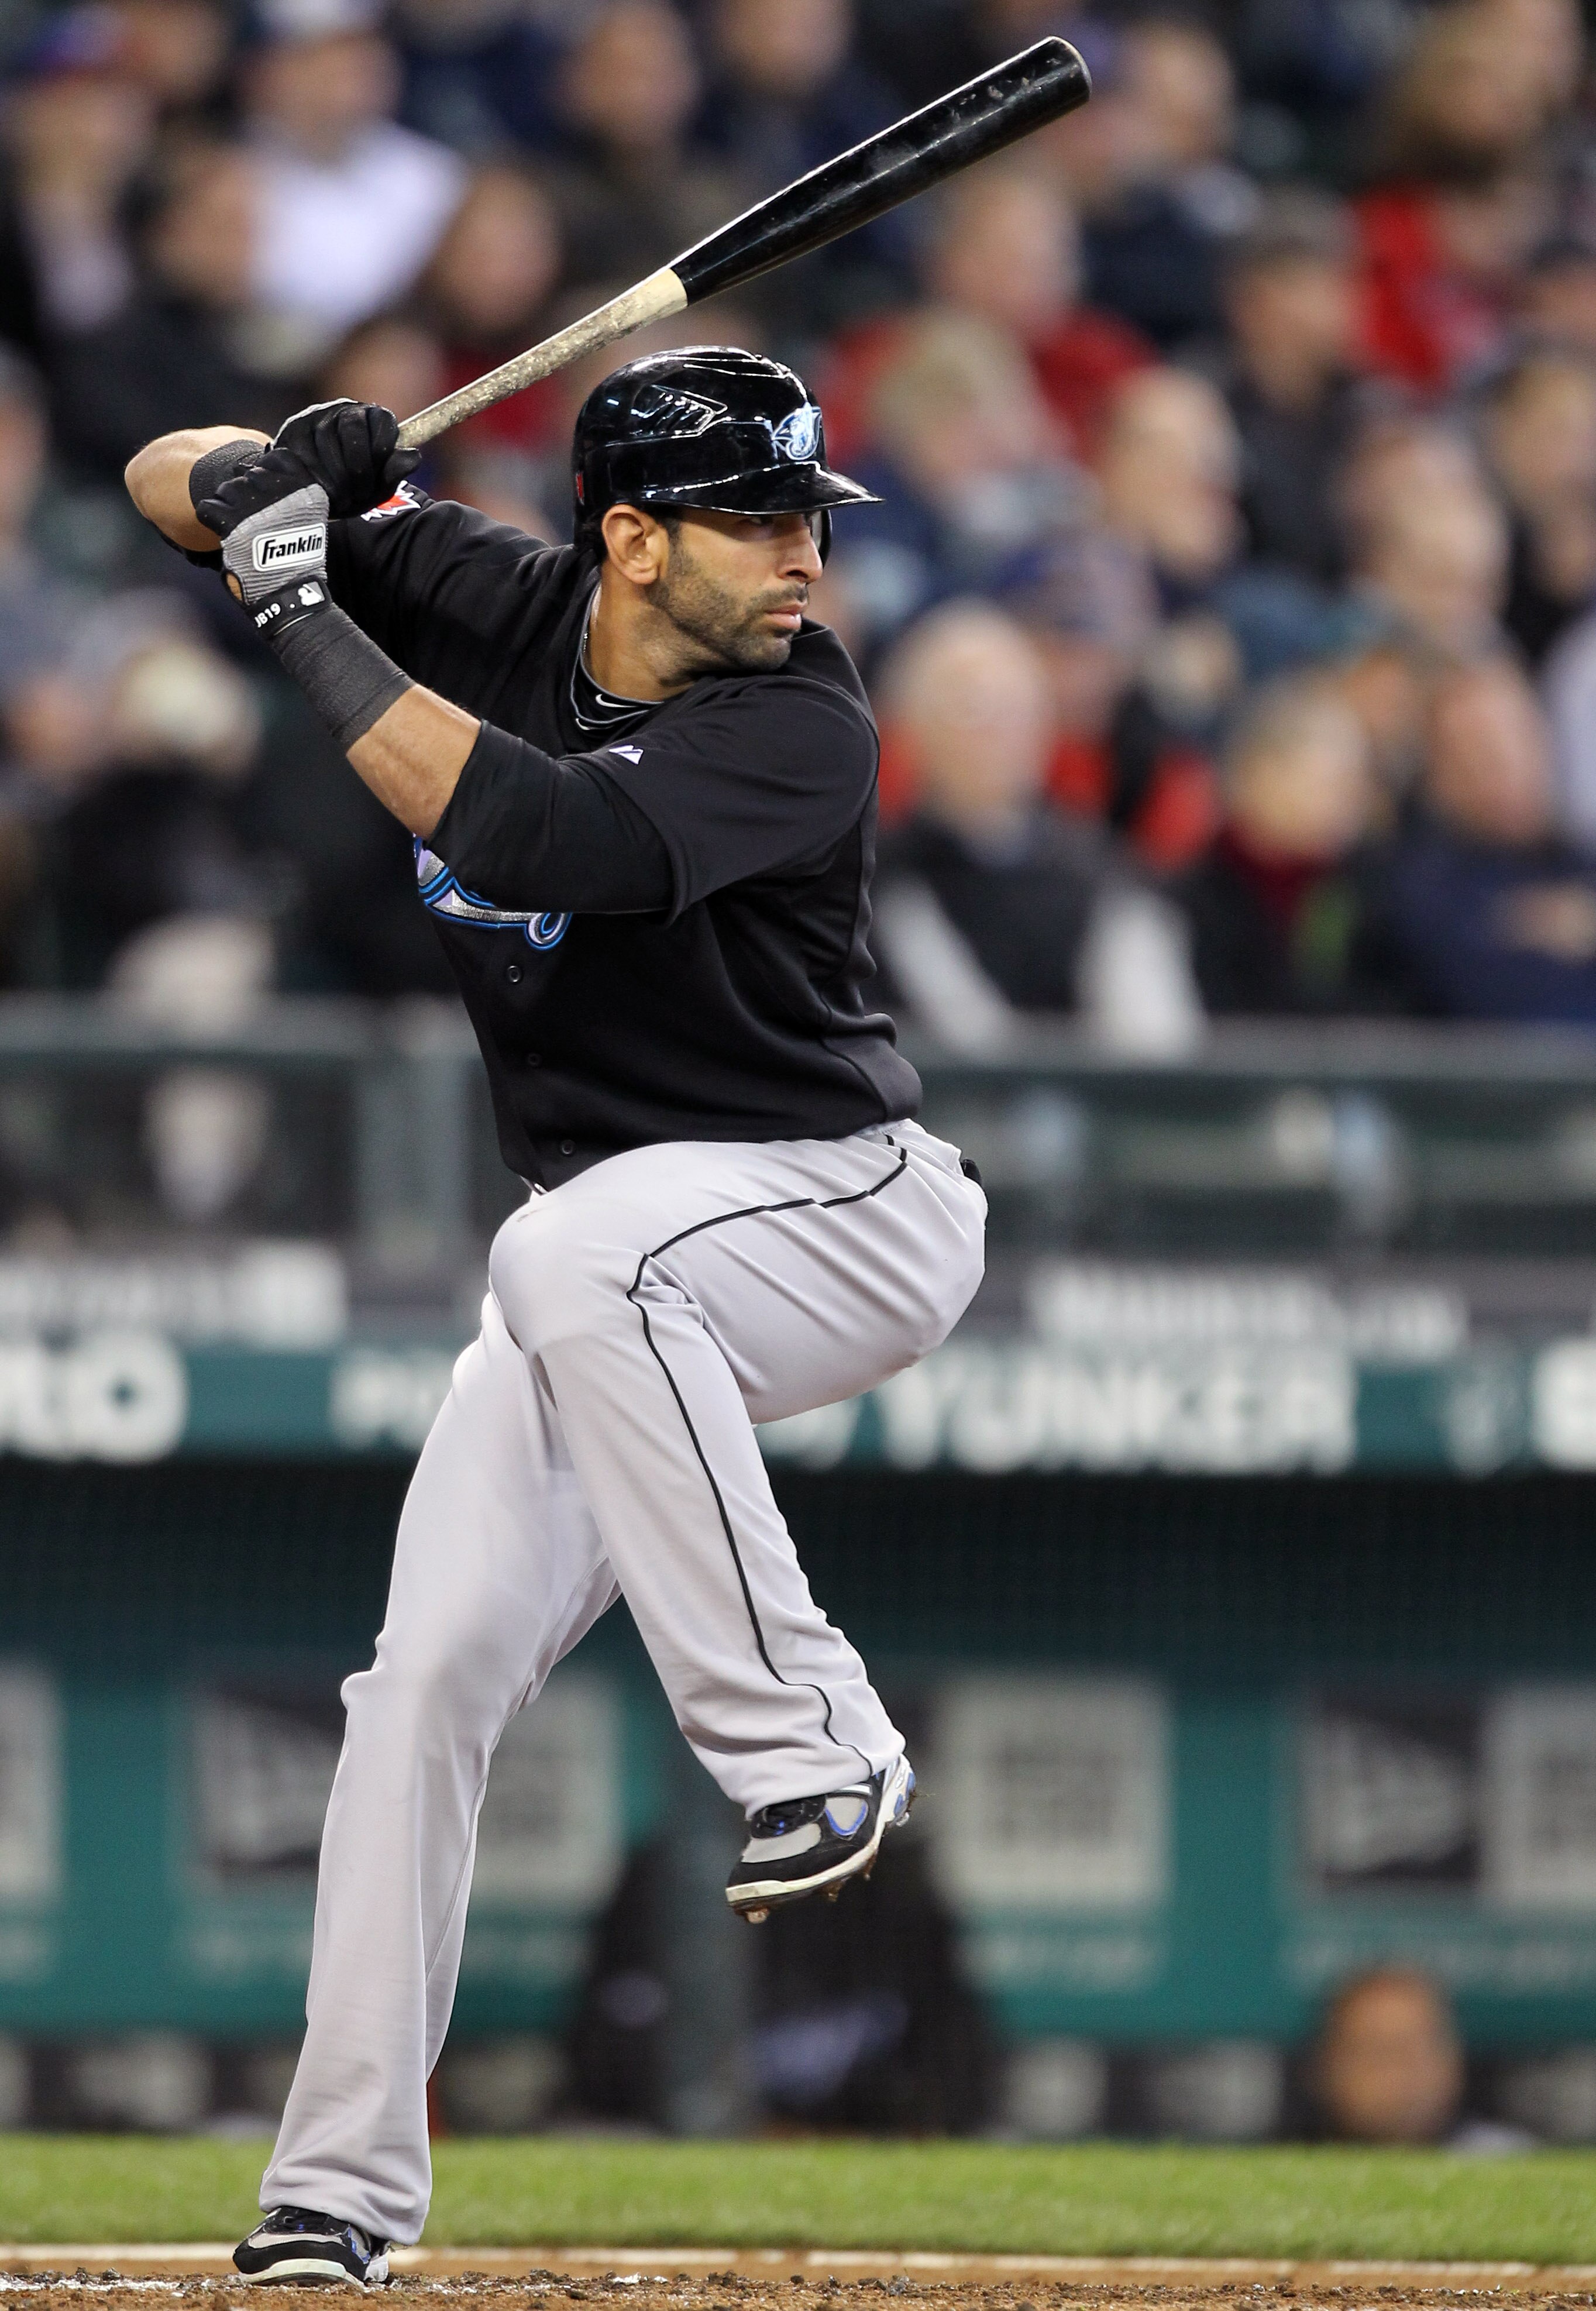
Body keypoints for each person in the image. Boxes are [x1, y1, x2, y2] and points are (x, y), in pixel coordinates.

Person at [126, 347, 986, 2275]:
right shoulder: (498, 593)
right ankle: (338, 2193)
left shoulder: (804, 716)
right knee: (416, 1686)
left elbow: (531, 839)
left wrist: (299, 604)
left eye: (804, 522)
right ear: (629, 535)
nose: (799, 560)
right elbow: (155, 476)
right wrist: (282, 469)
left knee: (565, 1257)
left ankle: (807, 1745)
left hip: (837, 1206)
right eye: (759, 522)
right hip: (616, 1256)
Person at [1315, 1966, 1465, 2143]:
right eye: (1378, 2052)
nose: (1396, 2072)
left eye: (1413, 2053)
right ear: (1329, 2064)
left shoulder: (1493, 2156)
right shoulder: (1288, 2156)